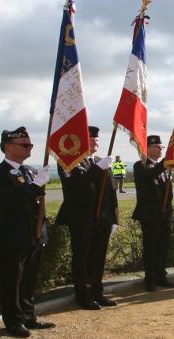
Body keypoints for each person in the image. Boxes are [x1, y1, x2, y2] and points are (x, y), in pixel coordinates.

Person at [0, 127, 54, 337]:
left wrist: (42, 231)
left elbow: (37, 206)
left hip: (33, 235)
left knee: (29, 280)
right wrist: (35, 186)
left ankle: (28, 316)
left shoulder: (31, 171)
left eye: (31, 145)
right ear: (8, 147)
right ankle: (14, 322)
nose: (29, 148)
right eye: (24, 145)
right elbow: (9, 204)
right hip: (13, 236)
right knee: (12, 281)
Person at [56, 126, 118, 310]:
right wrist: (98, 168)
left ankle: (97, 293)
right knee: (82, 258)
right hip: (81, 219)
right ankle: (83, 296)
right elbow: (77, 185)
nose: (95, 143)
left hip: (103, 220)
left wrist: (114, 218)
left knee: (98, 258)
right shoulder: (69, 162)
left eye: (97, 140)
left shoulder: (100, 162)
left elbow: (110, 193)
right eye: (90, 140)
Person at [132, 135, 174, 291]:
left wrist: (168, 209)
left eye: (161, 147)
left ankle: (161, 276)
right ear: (148, 148)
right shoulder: (140, 165)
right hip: (150, 215)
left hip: (164, 213)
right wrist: (165, 164)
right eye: (157, 147)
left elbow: (167, 190)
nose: (160, 150)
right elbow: (148, 176)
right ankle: (150, 279)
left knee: (163, 246)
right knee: (151, 247)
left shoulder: (162, 167)